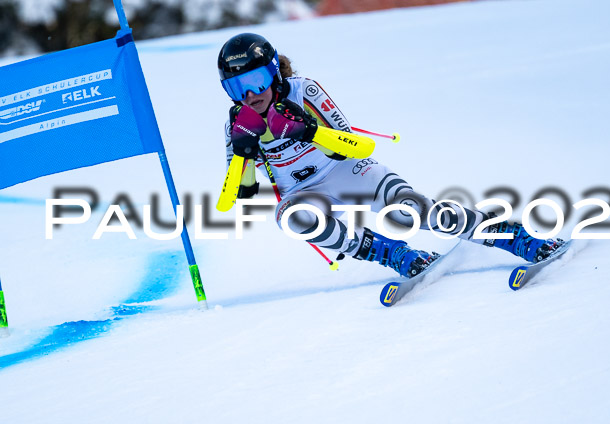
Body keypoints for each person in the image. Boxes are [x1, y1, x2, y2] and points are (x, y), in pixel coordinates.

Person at [218, 32, 564, 278]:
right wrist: (242, 155)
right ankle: (393, 254)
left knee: (410, 212)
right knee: (292, 218)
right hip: (305, 195)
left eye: (258, 80)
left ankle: (512, 236)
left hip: (348, 172)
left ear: (275, 71)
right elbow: (239, 196)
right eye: (237, 87)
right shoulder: (237, 123)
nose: (250, 95)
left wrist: (308, 130)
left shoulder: (302, 90)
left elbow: (356, 146)